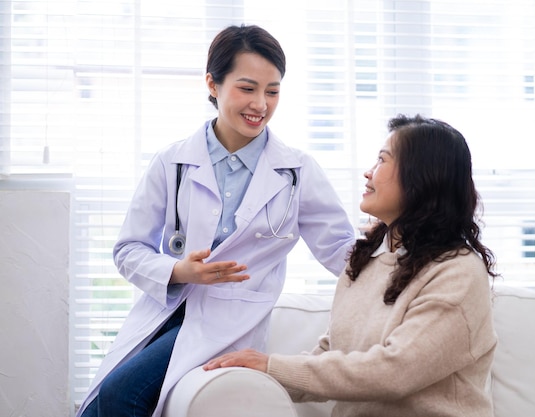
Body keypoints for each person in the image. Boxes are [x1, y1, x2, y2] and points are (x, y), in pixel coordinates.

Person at [77, 24, 355, 417]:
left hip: (230, 321)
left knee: (122, 394)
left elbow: (342, 252)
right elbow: (127, 250)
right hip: (166, 311)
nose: (261, 103)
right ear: (213, 84)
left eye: (272, 91)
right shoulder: (172, 163)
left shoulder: (297, 172)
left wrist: (408, 255)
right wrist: (179, 269)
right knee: (105, 399)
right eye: (247, 88)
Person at [204, 114, 499, 417]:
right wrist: (249, 372)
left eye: (382, 161)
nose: (368, 173)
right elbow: (332, 357)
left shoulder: (457, 272)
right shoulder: (365, 260)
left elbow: (395, 371)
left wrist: (270, 365)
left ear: (422, 177)